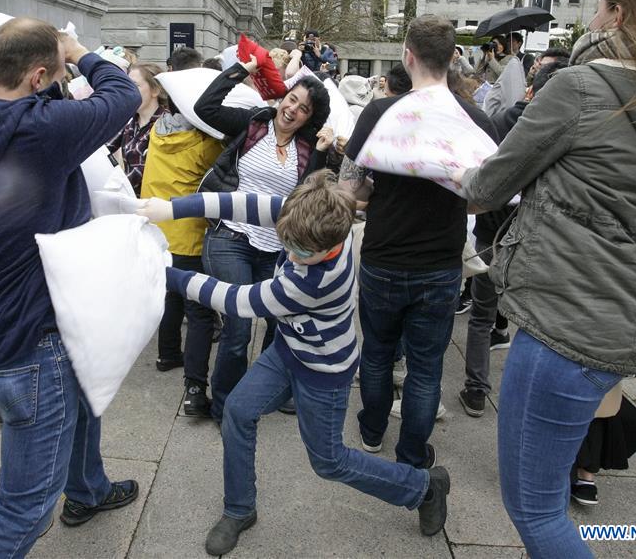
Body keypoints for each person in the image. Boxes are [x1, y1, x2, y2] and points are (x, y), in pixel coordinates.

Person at [451, 0, 636, 557]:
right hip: (616, 308)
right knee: (547, 500)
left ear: (618, 15)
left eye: (600, 6)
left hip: (563, 319)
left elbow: (486, 187)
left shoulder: (580, 86)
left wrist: (457, 170)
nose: (593, 17)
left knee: (536, 510)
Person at [136, 176, 451, 556]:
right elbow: (239, 203)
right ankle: (239, 509)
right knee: (238, 410)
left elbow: (238, 300)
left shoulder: (315, 281)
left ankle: (423, 488)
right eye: (288, 242)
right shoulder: (309, 215)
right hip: (290, 349)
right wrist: (171, 208)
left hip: (323, 371)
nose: (290, 252)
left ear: (333, 243)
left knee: (329, 462)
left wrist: (162, 272)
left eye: (301, 250)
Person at [0, 17, 142, 556]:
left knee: (85, 401)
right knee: (24, 509)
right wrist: (78, 51)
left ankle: (89, 488)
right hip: (32, 341)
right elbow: (123, 94)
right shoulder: (38, 129)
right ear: (36, 77)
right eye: (49, 77)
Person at [338, 16, 496, 469]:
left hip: (383, 256)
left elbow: (349, 189)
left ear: (408, 56)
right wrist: (453, 206)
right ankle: (411, 452)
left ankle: (371, 432)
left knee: (377, 352)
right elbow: (490, 195)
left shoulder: (379, 112)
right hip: (441, 263)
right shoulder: (475, 119)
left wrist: (376, 197)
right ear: (452, 59)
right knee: (426, 368)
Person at [194, 53, 331, 422]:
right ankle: (225, 408)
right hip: (230, 236)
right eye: (291, 99)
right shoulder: (254, 124)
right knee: (238, 328)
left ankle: (260, 393)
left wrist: (322, 152)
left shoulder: (307, 148)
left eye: (303, 109)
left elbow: (308, 194)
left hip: (274, 250)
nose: (292, 110)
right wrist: (244, 70)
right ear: (282, 98)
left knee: (280, 323)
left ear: (309, 117)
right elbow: (205, 107)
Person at [459, 61, 567, 418]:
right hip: (530, 237)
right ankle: (509, 396)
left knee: (482, 315)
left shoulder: (504, 121)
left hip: (498, 231)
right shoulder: (571, 130)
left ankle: (477, 390)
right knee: (531, 322)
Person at [141, 55, 221, 414]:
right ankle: (194, 388)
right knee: (200, 310)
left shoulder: (159, 131)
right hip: (188, 233)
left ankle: (166, 354)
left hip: (157, 231)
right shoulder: (204, 144)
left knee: (170, 296)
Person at [107, 63, 169, 196]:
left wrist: (108, 189)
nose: (128, 91)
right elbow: (105, 148)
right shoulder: (130, 120)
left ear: (155, 90)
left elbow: (141, 172)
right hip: (130, 200)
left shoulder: (165, 125)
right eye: (127, 85)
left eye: (135, 86)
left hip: (152, 205)